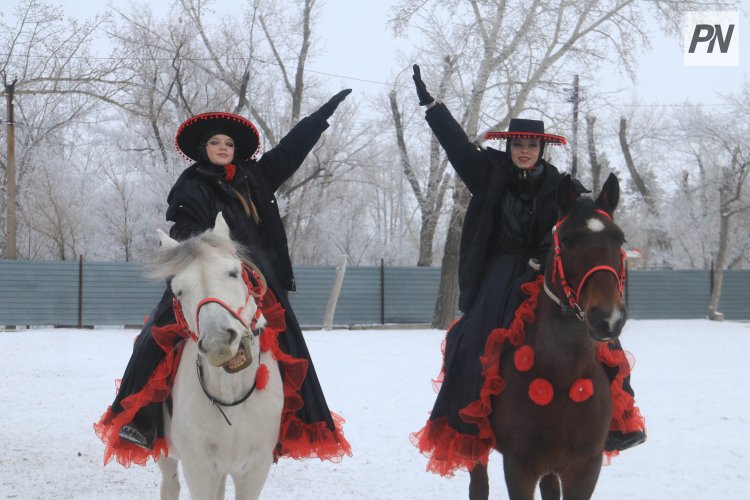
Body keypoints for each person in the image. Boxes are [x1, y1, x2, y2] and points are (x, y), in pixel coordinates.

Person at [95, 90, 353, 467]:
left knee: (292, 344)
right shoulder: (191, 185)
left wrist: (321, 116)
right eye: (215, 142)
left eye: (229, 143)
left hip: (258, 276)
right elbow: (183, 228)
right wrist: (209, 250)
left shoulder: (256, 177)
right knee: (155, 334)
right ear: (203, 148)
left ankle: (290, 421)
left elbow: (290, 150)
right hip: (204, 270)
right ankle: (142, 419)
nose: (223, 147)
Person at [409, 65, 646, 476]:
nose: (524, 150)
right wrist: (433, 108)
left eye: (531, 145)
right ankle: (471, 427)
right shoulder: (487, 173)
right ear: (509, 146)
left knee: (600, 339)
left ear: (541, 149)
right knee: (471, 343)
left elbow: (582, 216)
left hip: (544, 275)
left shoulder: (558, 184)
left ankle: (616, 424)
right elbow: (456, 146)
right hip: (499, 276)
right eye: (518, 144)